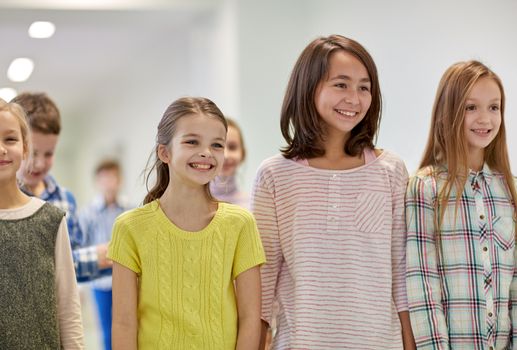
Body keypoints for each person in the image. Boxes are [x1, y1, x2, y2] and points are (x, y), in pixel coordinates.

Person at [251, 34, 415, 349]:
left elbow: (401, 276)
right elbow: (262, 280)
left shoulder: (391, 170)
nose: (354, 99)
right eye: (341, 84)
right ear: (308, 87)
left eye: (364, 87)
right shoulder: (274, 175)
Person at [108, 97, 266, 350]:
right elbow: (124, 323)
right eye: (192, 141)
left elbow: (249, 320)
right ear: (164, 152)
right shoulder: (129, 227)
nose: (206, 152)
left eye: (217, 145)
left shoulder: (241, 224)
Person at [406, 60, 517, 349]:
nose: (485, 118)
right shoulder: (425, 187)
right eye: (471, 107)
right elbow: (422, 286)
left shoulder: (510, 189)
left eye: (494, 107)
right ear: (449, 112)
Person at [0, 99, 84, 349]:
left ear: (26, 148)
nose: (2, 149)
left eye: (10, 139)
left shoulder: (51, 220)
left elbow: (68, 309)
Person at [12, 92, 111, 281]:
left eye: (49, 154)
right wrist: (95, 257)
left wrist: (105, 258)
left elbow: (72, 268)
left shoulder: (65, 199)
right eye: (32, 153)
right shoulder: (5, 198)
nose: (39, 163)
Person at [79, 159, 131, 350]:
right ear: (97, 181)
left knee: (127, 327)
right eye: (104, 178)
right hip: (100, 283)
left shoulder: (129, 211)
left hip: (125, 281)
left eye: (113, 177)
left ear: (120, 180)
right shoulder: (88, 214)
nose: (109, 182)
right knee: (107, 330)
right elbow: (80, 250)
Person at [210, 117, 249, 208]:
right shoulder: (192, 203)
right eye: (218, 146)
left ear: (243, 154)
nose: (226, 156)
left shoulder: (253, 204)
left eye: (232, 147)